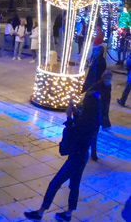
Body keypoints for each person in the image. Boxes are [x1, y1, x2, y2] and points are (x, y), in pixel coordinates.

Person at [24, 90, 102, 221]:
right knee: (74, 185)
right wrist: (75, 112)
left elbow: (72, 134)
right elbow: (82, 123)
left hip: (76, 157)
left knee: (55, 183)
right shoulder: (94, 118)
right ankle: (68, 214)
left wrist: (69, 118)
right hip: (83, 156)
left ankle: (40, 212)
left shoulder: (86, 122)